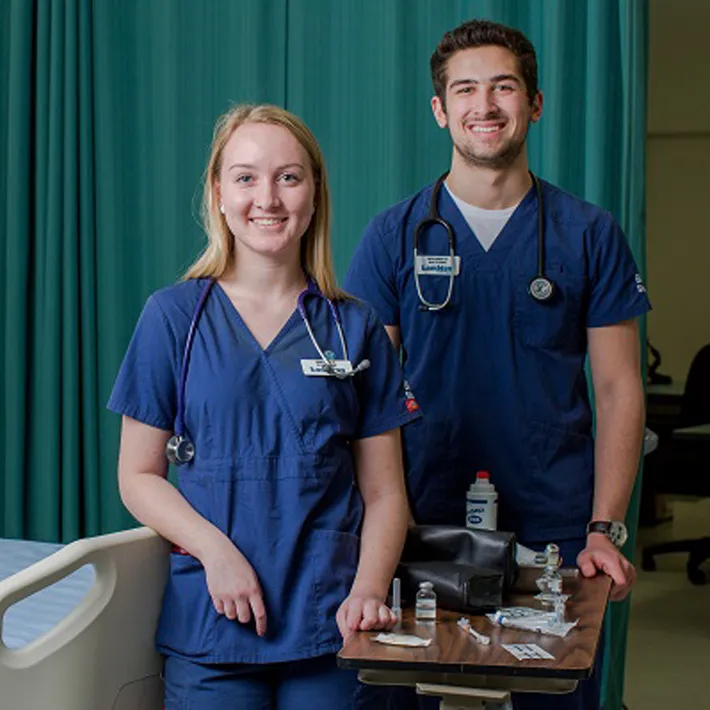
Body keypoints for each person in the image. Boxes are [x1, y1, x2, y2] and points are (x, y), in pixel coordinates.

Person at [344, 18, 650, 710]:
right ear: (440, 109)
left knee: (558, 694)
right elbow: (367, 395)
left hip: (553, 524)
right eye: (466, 90)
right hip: (420, 514)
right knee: (391, 695)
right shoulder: (394, 235)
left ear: (535, 103)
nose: (484, 107)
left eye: (504, 87)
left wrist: (603, 526)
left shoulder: (588, 234)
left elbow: (618, 386)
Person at [107, 103, 420, 709]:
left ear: (314, 194)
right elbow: (137, 476)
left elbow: (385, 493)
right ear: (219, 193)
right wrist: (215, 553)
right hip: (212, 622)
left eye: (288, 176)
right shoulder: (173, 319)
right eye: (246, 176)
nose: (267, 198)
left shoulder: (352, 327)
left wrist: (368, 590)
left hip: (331, 621)